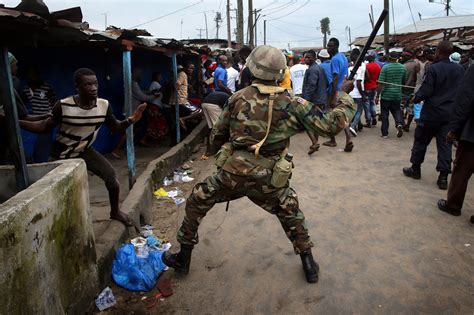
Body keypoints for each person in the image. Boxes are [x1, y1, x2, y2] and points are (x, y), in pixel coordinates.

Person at [161, 45, 356, 284]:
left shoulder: (237, 98)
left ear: (252, 67)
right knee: (291, 213)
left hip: (232, 175)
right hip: (271, 178)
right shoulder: (294, 103)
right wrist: (345, 95)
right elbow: (331, 126)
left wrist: (217, 153)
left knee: (197, 200)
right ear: (280, 71)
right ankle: (308, 263)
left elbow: (217, 136)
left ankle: (183, 258)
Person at [19, 68, 146, 226]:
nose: (93, 88)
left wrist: (131, 119)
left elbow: (115, 127)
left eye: (95, 84)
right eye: (87, 84)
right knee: (59, 192)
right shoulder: (63, 106)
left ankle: (115, 212)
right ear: (77, 87)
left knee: (111, 178)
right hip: (61, 154)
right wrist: (15, 122)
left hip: (85, 150)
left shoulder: (103, 105)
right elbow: (43, 127)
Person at [403, 40, 465, 189]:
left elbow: (426, 90)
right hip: (449, 114)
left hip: (431, 113)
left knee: (421, 141)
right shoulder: (460, 70)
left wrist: (415, 98)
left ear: (439, 52)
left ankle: (415, 169)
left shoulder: (433, 69)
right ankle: (443, 177)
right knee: (445, 145)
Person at [437, 66, 474, 219]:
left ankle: (453, 205)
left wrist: (454, 129)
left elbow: (465, 99)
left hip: (472, 134)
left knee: (462, 169)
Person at [22, 66, 57, 162]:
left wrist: (53, 115)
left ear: (38, 75)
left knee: (45, 144)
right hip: (35, 120)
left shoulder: (46, 87)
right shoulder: (26, 90)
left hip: (47, 120)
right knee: (35, 145)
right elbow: (22, 105)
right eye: (30, 74)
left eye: (34, 74)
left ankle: (45, 161)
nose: (32, 77)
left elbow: (54, 102)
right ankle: (37, 161)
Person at [325, 37, 353, 151]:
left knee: (330, 116)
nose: (328, 48)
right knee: (341, 115)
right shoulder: (343, 57)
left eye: (330, 46)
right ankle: (348, 138)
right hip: (342, 89)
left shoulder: (335, 59)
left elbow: (335, 77)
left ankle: (333, 140)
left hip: (335, 91)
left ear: (336, 46)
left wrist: (332, 96)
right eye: (328, 45)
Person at [302, 50, 328, 155]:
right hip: (320, 99)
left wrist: (305, 100)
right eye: (305, 57)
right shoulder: (319, 68)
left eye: (308, 57)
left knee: (306, 121)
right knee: (316, 122)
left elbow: (311, 86)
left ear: (314, 57)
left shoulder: (312, 70)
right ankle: (315, 142)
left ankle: (314, 142)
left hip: (314, 100)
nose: (306, 59)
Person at [375, 51, 406, 139]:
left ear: (389, 58)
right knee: (396, 110)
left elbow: (380, 83)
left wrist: (377, 96)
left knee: (385, 114)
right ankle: (399, 124)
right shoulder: (402, 68)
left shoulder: (385, 68)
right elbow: (404, 81)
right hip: (397, 94)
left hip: (386, 95)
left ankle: (385, 133)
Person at [200, 91, 230, 159]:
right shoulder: (230, 99)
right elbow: (227, 111)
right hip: (213, 105)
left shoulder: (224, 95)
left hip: (204, 103)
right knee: (220, 127)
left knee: (211, 128)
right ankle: (220, 149)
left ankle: (208, 150)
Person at [400, 50, 420, 132]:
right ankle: (407, 124)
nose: (402, 57)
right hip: (413, 90)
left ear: (408, 56)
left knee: (401, 108)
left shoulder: (404, 66)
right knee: (410, 109)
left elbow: (402, 79)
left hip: (404, 89)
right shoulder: (417, 65)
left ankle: (404, 124)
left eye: (404, 56)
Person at [347, 49, 366, 137]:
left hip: (350, 93)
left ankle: (354, 125)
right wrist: (362, 94)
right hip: (357, 93)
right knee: (359, 110)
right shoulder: (361, 68)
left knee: (352, 111)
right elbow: (358, 83)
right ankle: (353, 126)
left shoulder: (349, 68)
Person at [363, 50, 381, 127]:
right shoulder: (378, 66)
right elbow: (379, 78)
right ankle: (374, 117)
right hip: (374, 86)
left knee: (366, 104)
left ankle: (368, 121)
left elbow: (365, 77)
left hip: (367, 87)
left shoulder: (366, 66)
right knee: (372, 102)